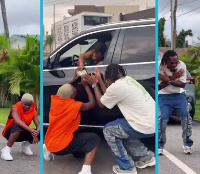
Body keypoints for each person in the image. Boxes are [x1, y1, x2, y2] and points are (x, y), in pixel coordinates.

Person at [82, 64, 155, 174]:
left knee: (109, 130)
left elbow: (102, 104)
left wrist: (94, 85)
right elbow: (109, 93)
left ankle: (127, 167)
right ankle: (147, 157)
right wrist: (100, 80)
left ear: (109, 78)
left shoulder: (117, 87)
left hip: (144, 125)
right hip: (153, 123)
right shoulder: (128, 80)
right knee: (120, 130)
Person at [43, 78, 101, 174]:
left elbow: (62, 89)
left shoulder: (54, 100)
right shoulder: (75, 105)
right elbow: (92, 103)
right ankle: (85, 170)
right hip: (61, 147)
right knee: (94, 138)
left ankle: (48, 148)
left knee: (78, 137)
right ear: (72, 96)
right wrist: (86, 86)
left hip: (50, 140)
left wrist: (74, 78)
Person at [158, 50, 193, 155]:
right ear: (165, 62)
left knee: (186, 118)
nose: (174, 65)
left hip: (179, 95)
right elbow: (158, 87)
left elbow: (182, 85)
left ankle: (187, 144)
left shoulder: (181, 65)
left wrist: (167, 79)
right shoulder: (158, 66)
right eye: (171, 63)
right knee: (162, 119)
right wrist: (173, 78)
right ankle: (160, 145)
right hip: (164, 96)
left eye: (175, 62)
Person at [1, 93, 40, 161]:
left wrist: (36, 132)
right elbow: (18, 121)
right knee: (17, 127)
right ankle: (6, 149)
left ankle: (25, 146)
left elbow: (38, 125)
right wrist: (31, 130)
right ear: (21, 101)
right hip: (10, 132)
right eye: (25, 104)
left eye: (29, 105)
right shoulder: (15, 108)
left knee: (42, 130)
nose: (27, 107)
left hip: (22, 132)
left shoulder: (33, 111)